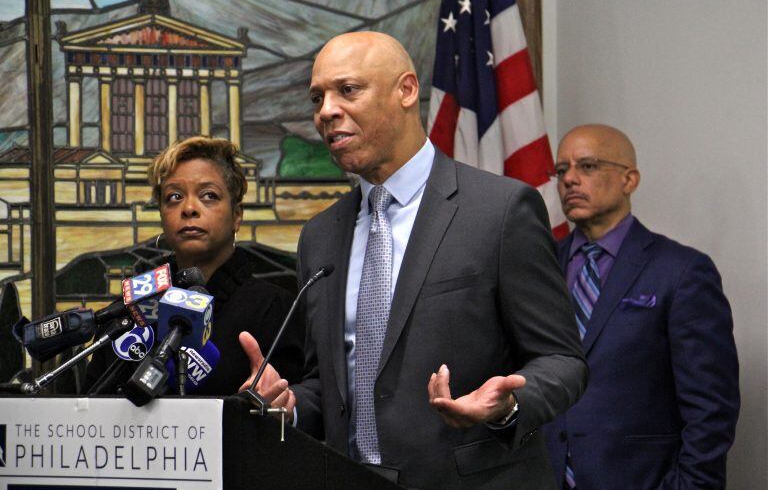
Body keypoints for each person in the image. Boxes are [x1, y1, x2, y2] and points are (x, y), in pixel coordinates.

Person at [238, 31, 587, 489]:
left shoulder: (500, 211)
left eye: (348, 90)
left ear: (406, 90)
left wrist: (509, 407)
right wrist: (291, 405)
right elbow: (329, 382)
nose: (326, 111)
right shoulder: (319, 236)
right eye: (317, 97)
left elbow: (561, 359)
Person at [542, 124, 740, 489]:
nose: (569, 179)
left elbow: (711, 411)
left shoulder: (681, 271)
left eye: (587, 166)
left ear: (629, 180)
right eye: (561, 170)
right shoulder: (540, 268)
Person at [84, 136, 305, 395]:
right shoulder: (131, 309)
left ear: (236, 215)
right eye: (174, 197)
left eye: (209, 196)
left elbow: (298, 414)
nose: (189, 208)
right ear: (161, 215)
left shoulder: (274, 309)